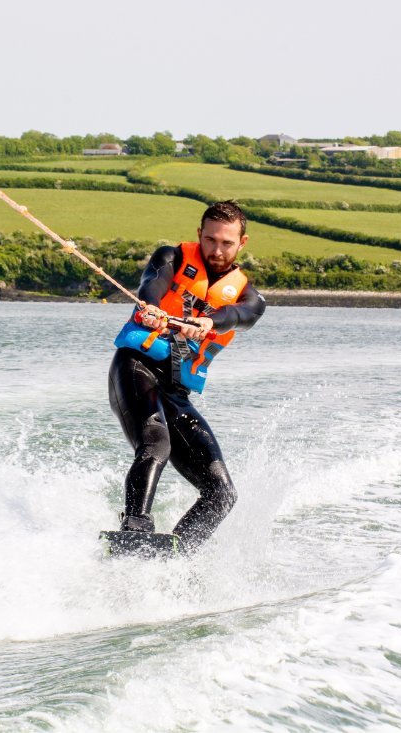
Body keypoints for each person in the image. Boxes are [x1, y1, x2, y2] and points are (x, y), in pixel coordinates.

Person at [108, 200, 266, 551]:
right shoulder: (171, 258)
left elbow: (243, 315)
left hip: (176, 391)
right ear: (200, 235)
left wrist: (210, 321)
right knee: (155, 442)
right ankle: (134, 530)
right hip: (137, 368)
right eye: (210, 240)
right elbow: (153, 283)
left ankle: (178, 555)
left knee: (222, 492)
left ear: (242, 243)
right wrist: (149, 307)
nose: (217, 249)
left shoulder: (249, 296)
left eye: (226, 243)